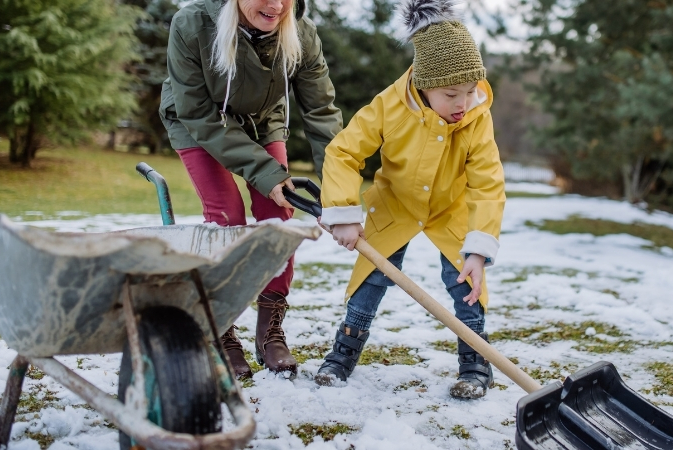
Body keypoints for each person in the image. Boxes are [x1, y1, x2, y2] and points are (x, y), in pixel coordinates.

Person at [314, 0, 505, 399]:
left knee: (466, 282)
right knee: (372, 278)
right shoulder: (390, 106)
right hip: (395, 205)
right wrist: (344, 214)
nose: (463, 104)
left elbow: (487, 183)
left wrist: (479, 249)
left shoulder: (475, 116)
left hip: (449, 209)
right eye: (452, 94)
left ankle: (475, 363)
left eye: (470, 91)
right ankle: (342, 354)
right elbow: (343, 152)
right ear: (423, 82)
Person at [159, 0, 343, 380]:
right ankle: (220, 328)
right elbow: (197, 113)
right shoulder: (191, 25)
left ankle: (269, 329)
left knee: (279, 217)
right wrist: (265, 172)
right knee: (226, 215)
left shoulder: (301, 34)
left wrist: (340, 196)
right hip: (199, 120)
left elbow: (322, 114)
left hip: (262, 120)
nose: (276, 5)